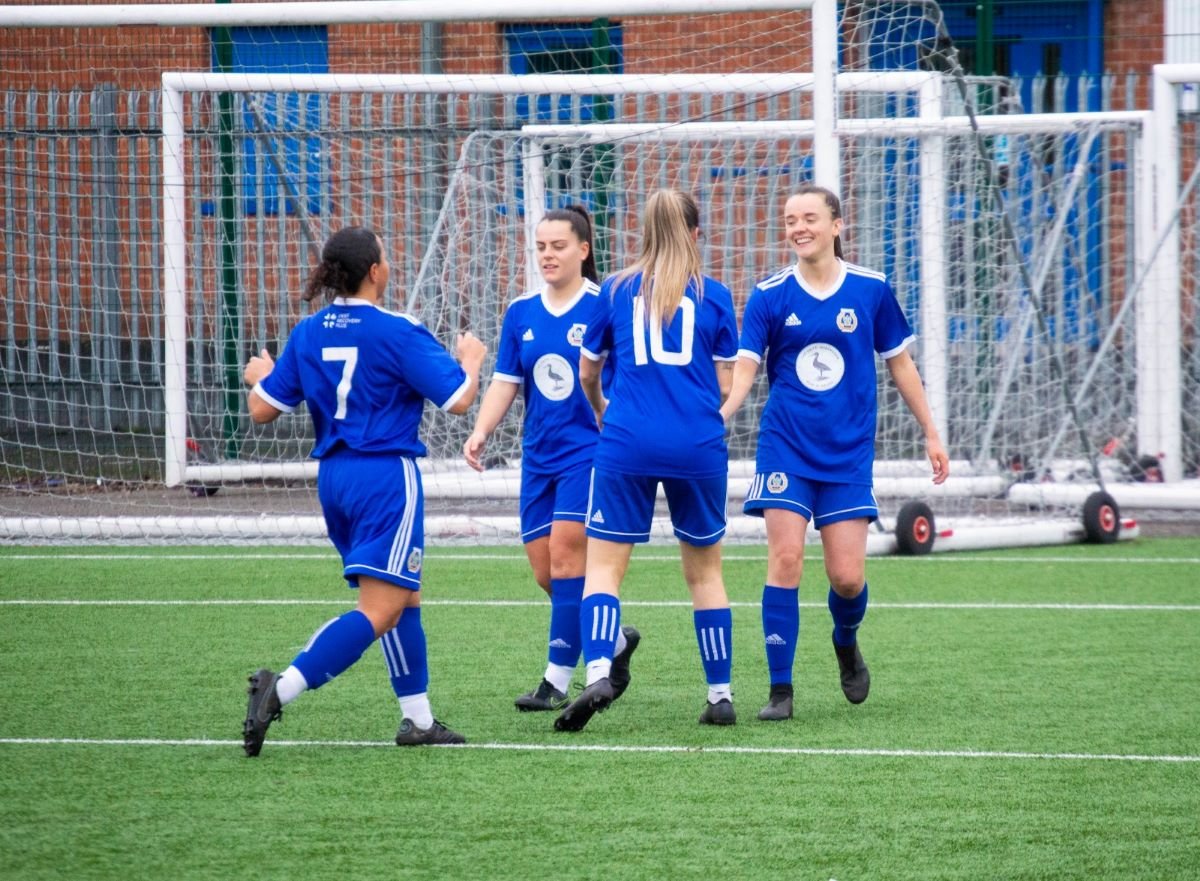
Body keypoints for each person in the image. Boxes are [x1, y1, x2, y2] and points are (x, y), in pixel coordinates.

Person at [240, 225, 486, 756]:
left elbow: (262, 410)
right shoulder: (397, 329)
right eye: (385, 254)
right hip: (385, 479)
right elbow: (459, 400)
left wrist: (260, 376)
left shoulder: (309, 331)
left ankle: (417, 721)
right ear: (375, 270)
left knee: (403, 596)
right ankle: (279, 689)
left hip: (334, 481)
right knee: (379, 609)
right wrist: (472, 359)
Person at [720, 184, 949, 721]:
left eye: (809, 218)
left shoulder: (871, 289)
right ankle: (781, 690)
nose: (799, 227)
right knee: (786, 559)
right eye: (789, 219)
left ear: (837, 226)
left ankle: (845, 639)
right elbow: (748, 365)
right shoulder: (769, 293)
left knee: (846, 578)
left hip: (846, 453)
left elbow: (900, 363)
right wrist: (724, 412)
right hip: (786, 447)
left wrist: (931, 433)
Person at [554, 189, 740, 732]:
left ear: (644, 233)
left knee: (604, 571)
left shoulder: (613, 289)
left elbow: (587, 373)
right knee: (705, 574)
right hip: (697, 444)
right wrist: (707, 417)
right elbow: (727, 382)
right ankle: (720, 694)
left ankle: (596, 676)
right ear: (695, 234)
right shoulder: (716, 295)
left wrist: (602, 411)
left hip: (627, 439)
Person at [463, 206, 639, 712]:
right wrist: (480, 431)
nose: (547, 255)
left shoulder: (604, 304)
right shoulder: (521, 312)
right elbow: (506, 381)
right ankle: (614, 641)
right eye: (540, 246)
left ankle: (556, 680)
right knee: (548, 573)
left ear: (583, 250)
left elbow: (624, 377)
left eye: (557, 246)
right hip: (537, 458)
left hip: (589, 454)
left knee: (567, 557)